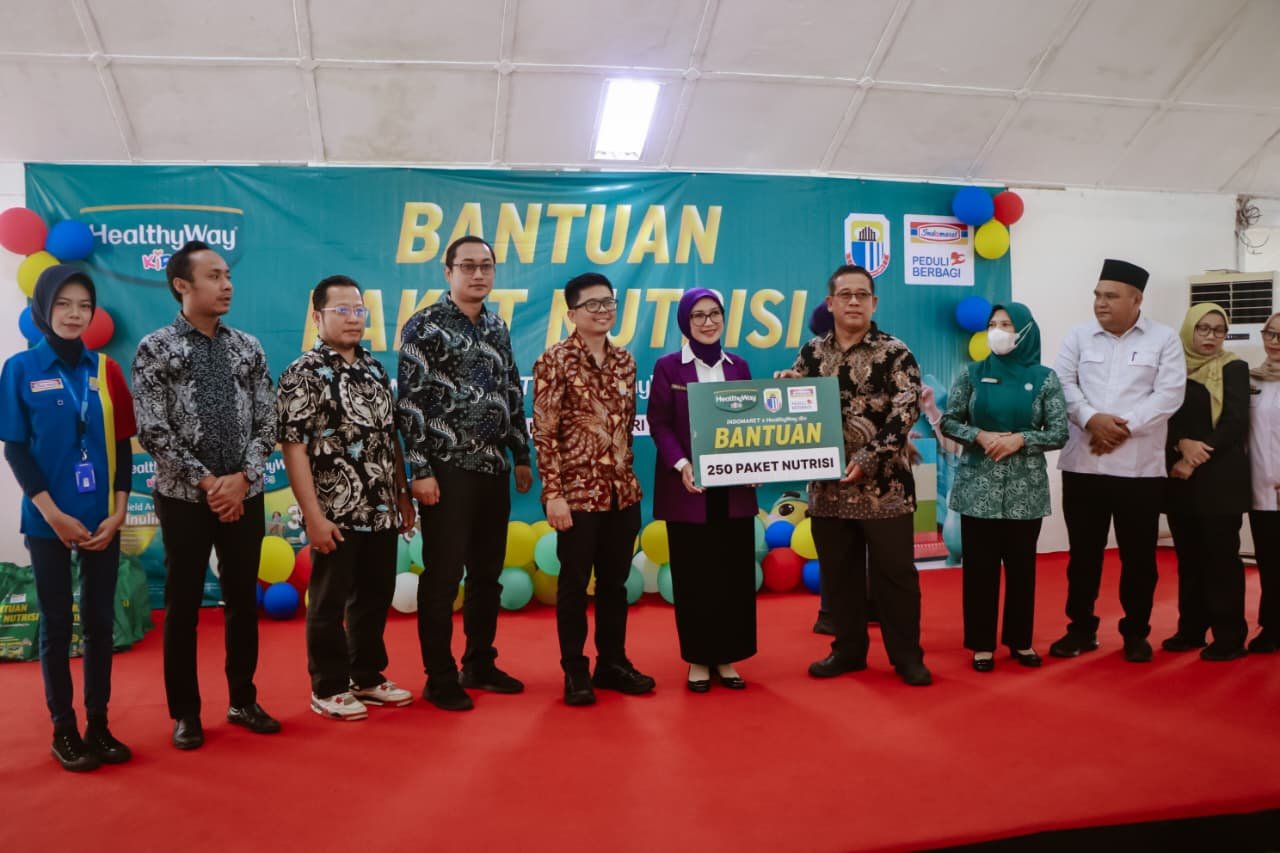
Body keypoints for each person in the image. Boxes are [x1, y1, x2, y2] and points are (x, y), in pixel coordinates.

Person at [132, 240, 281, 749]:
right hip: (183, 498)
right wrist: (209, 483)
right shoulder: (155, 348)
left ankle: (243, 700)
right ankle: (186, 713)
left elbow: (268, 420)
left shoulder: (248, 347)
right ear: (182, 285)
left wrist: (243, 478)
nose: (227, 285)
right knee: (183, 607)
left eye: (228, 276)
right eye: (214, 276)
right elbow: (153, 429)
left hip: (245, 493)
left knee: (242, 600)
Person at [0, 266, 135, 771]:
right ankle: (64, 730)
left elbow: (123, 445)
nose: (75, 314)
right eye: (63, 304)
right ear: (43, 308)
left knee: (99, 624)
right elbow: (16, 450)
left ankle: (98, 723)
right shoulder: (20, 368)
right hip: (47, 522)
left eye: (84, 305)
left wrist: (119, 511)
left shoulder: (106, 370)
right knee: (56, 626)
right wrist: (53, 515)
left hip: (101, 520)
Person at [396, 236, 532, 711]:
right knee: (443, 575)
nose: (478, 274)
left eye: (486, 266)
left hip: (494, 467)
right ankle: (439, 675)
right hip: (446, 469)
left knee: (487, 575)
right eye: (468, 266)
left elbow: (511, 389)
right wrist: (419, 470)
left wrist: (521, 454)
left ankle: (479, 662)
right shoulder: (424, 326)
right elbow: (410, 403)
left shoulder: (497, 326)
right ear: (447, 272)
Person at [782, 264, 931, 687]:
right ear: (829, 303)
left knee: (896, 577)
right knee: (840, 576)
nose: (853, 301)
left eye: (861, 295)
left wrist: (869, 456)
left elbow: (906, 410)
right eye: (844, 294)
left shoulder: (895, 353)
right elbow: (799, 411)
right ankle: (847, 651)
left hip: (885, 489)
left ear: (874, 303)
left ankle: (907, 657)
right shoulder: (811, 354)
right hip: (827, 490)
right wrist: (787, 389)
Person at [279, 275, 418, 720]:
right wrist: (313, 516)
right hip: (334, 511)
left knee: (375, 596)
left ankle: (367, 676)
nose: (353, 318)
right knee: (328, 601)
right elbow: (294, 449)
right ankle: (329, 686)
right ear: (317, 316)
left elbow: (390, 437)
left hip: (381, 508)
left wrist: (402, 495)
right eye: (341, 310)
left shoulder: (374, 368)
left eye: (359, 310)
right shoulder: (303, 373)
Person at [1050, 259, 1185, 663]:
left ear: (1136, 299)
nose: (1100, 303)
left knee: (1139, 558)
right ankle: (1080, 629)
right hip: (1084, 465)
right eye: (1097, 295)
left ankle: (1135, 633)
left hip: (1139, 471)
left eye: (1110, 296)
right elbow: (1062, 384)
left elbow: (1169, 394)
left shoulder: (1164, 339)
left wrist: (1119, 428)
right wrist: (1092, 419)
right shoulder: (1078, 336)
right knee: (1083, 556)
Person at [533, 272, 655, 705]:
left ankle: (612, 662)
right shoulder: (555, 360)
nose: (603, 311)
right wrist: (554, 494)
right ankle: (574, 669)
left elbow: (625, 429)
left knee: (614, 585)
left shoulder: (625, 361)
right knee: (573, 585)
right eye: (592, 305)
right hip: (577, 496)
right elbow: (544, 432)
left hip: (622, 493)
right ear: (572, 314)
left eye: (608, 302)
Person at [940, 303, 1068, 671]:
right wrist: (978, 435)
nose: (997, 330)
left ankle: (1020, 641)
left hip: (1025, 491)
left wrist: (1021, 439)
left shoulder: (1044, 378)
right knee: (979, 571)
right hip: (977, 488)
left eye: (1006, 324)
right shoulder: (972, 373)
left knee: (1022, 570)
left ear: (1024, 331)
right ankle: (981, 645)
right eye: (992, 324)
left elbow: (1059, 431)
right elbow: (949, 421)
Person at [648, 288, 757, 691]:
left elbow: (752, 424)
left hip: (733, 492)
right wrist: (682, 464)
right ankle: (697, 657)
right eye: (699, 316)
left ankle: (726, 657)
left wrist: (758, 462)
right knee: (694, 577)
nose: (708, 322)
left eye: (715, 314)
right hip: (688, 490)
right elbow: (659, 423)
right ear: (685, 322)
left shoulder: (739, 366)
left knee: (733, 576)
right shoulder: (668, 367)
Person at [1162, 304, 1251, 661]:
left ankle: (1229, 637)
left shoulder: (1234, 367)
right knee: (1189, 559)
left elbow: (1235, 421)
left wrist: (1193, 457)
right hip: (1180, 480)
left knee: (1221, 560)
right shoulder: (1172, 368)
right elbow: (1163, 416)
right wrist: (1181, 444)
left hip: (1220, 479)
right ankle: (1191, 629)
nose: (1211, 336)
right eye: (1203, 328)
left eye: (1218, 330)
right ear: (1189, 329)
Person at [1247, 312, 1280, 653]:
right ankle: (1271, 627)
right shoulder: (1253, 380)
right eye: (1269, 333)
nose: (1274, 341)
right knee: (1269, 561)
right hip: (1260, 487)